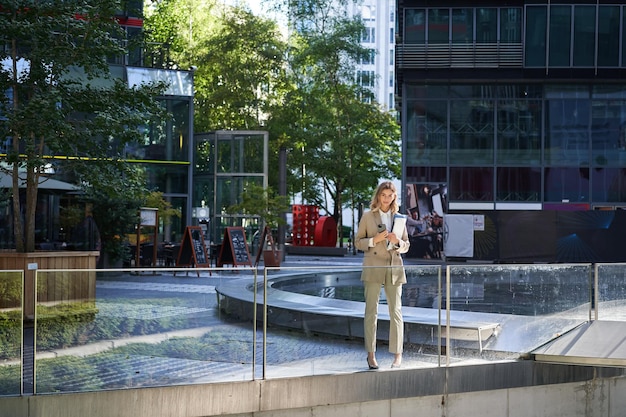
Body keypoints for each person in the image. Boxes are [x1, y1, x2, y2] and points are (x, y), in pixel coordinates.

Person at [355, 181, 410, 369]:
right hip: (373, 267)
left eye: (390, 195)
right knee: (371, 311)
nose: (386, 198)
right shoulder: (368, 216)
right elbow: (357, 242)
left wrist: (397, 242)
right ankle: (371, 355)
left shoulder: (400, 218)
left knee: (396, 311)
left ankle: (398, 354)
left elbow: (406, 245)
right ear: (378, 196)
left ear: (394, 196)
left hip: (394, 267)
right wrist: (374, 240)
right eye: (383, 195)